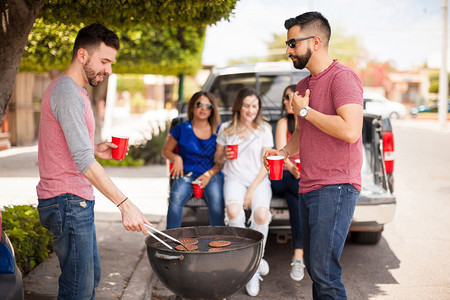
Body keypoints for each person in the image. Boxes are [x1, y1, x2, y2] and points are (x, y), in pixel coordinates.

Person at [36, 24, 151, 299]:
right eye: (105, 61)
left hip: (73, 200)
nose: (109, 70)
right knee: (79, 290)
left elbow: (74, 148)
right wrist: (126, 205)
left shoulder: (75, 92)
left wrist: (95, 148)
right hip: (68, 200)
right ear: (82, 55)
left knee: (89, 279)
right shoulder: (66, 92)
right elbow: (84, 162)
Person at [263, 12, 363, 299]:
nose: (288, 50)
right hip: (309, 185)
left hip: (336, 186)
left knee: (325, 272)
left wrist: (304, 110)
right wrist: (281, 153)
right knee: (314, 267)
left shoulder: (343, 78)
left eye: (293, 43)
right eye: (287, 44)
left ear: (316, 41)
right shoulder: (304, 86)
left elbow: (350, 131)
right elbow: (302, 135)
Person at [215, 87, 273, 297]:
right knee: (232, 212)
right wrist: (225, 158)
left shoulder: (264, 129)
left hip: (257, 181)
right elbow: (217, 159)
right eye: (246, 105)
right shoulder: (226, 129)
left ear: (259, 108)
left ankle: (255, 265)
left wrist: (252, 189)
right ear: (239, 106)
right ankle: (245, 264)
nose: (250, 110)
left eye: (254, 106)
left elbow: (266, 164)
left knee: (261, 215)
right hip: (234, 179)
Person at [162, 91, 224, 229]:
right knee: (175, 199)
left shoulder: (219, 130)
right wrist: (176, 157)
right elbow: (165, 151)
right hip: (187, 175)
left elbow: (221, 161)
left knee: (216, 202)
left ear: (212, 110)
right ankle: (171, 241)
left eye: (208, 106)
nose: (204, 108)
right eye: (200, 104)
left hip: (211, 175)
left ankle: (220, 241)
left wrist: (209, 174)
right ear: (192, 107)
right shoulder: (182, 129)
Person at [270, 84, 305, 281]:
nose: (286, 101)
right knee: (296, 187)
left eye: (289, 97)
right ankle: (300, 253)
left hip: (299, 179)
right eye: (284, 98)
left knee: (295, 198)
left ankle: (298, 256)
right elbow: (280, 153)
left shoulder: (307, 122)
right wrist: (291, 167)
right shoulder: (284, 122)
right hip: (283, 175)